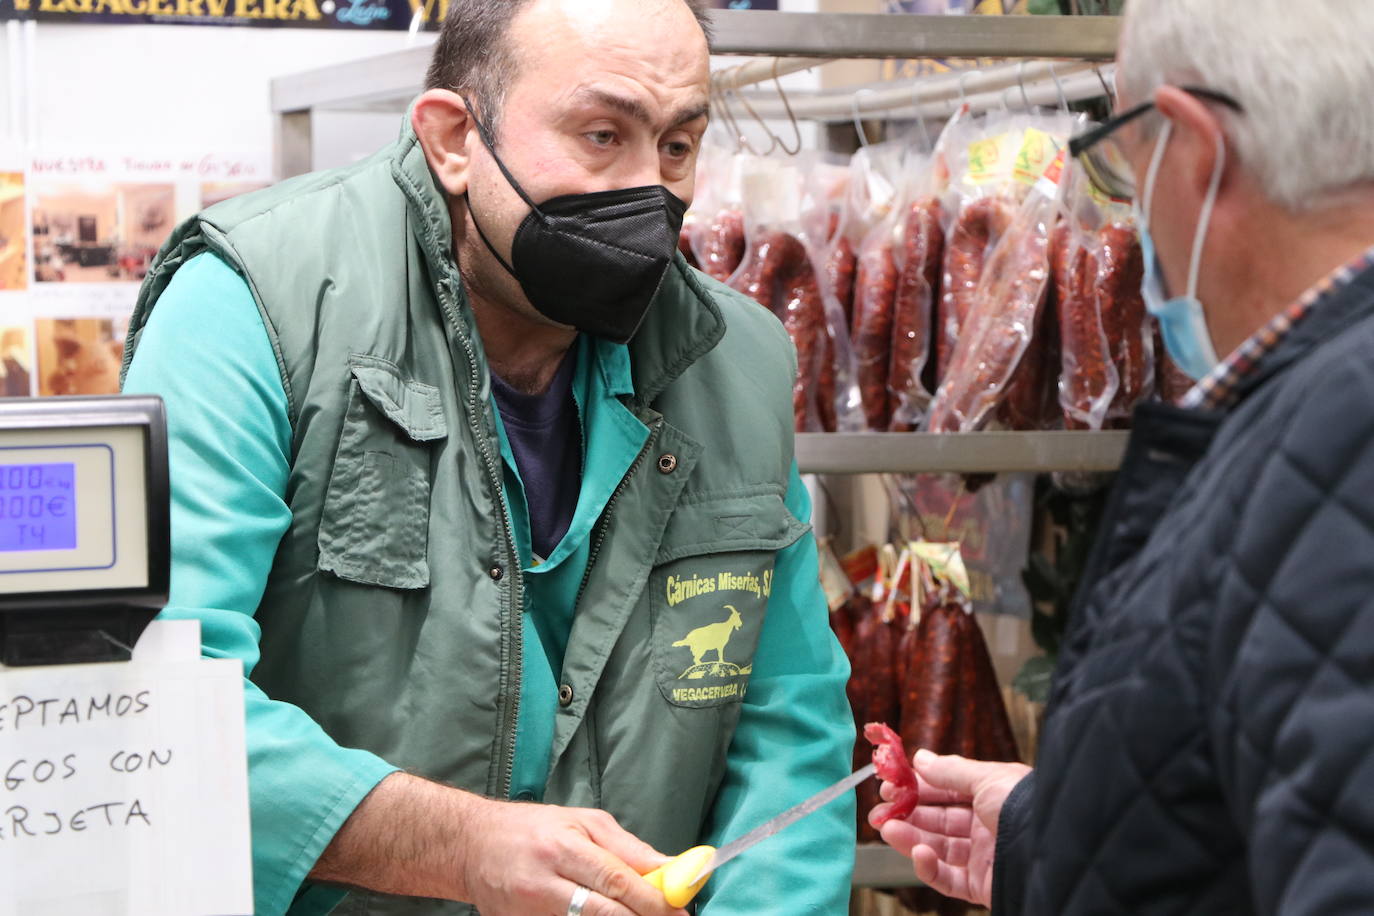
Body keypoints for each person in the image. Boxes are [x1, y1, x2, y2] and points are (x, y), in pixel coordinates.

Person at [120, 1, 855, 914]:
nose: (648, 190)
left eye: (675, 147)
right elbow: (162, 695)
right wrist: (456, 846)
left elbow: (789, 722)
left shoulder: (735, 362)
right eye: (601, 135)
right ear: (454, 138)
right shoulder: (251, 308)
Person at [871, 1, 1374, 913]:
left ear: (1192, 148)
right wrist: (1055, 836)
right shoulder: (1311, 414)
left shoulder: (1346, 434)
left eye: (1125, 152)